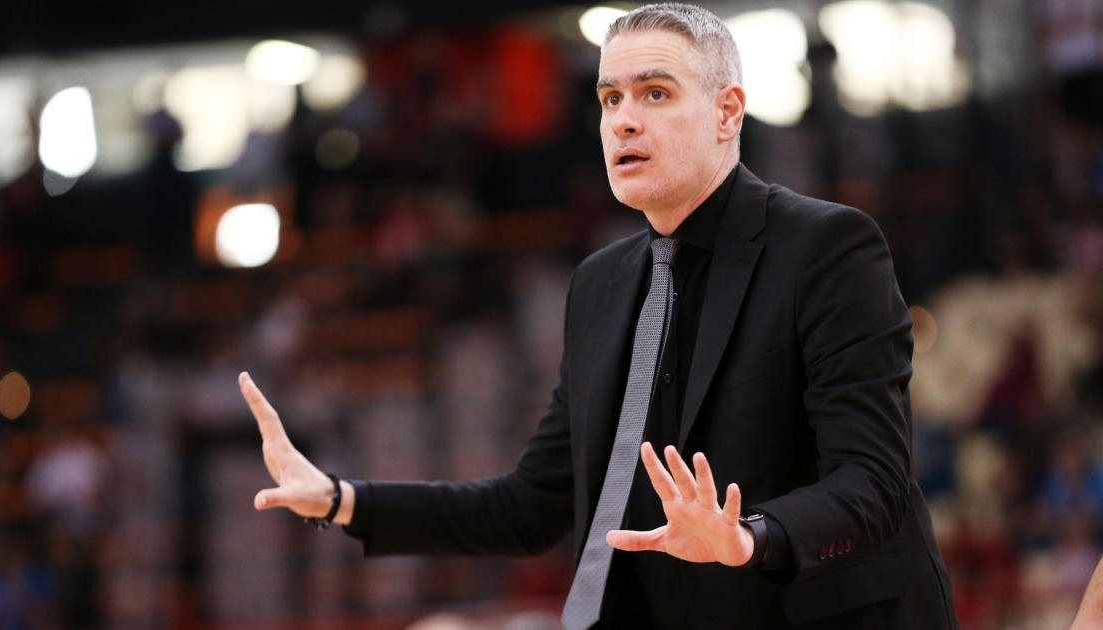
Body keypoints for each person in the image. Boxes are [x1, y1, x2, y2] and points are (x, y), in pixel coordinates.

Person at [238, 4, 957, 628]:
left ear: (727, 112)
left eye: (655, 93)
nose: (624, 120)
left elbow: (873, 481)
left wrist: (749, 536)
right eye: (611, 98)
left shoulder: (828, 247)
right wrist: (341, 500)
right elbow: (530, 506)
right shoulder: (600, 285)